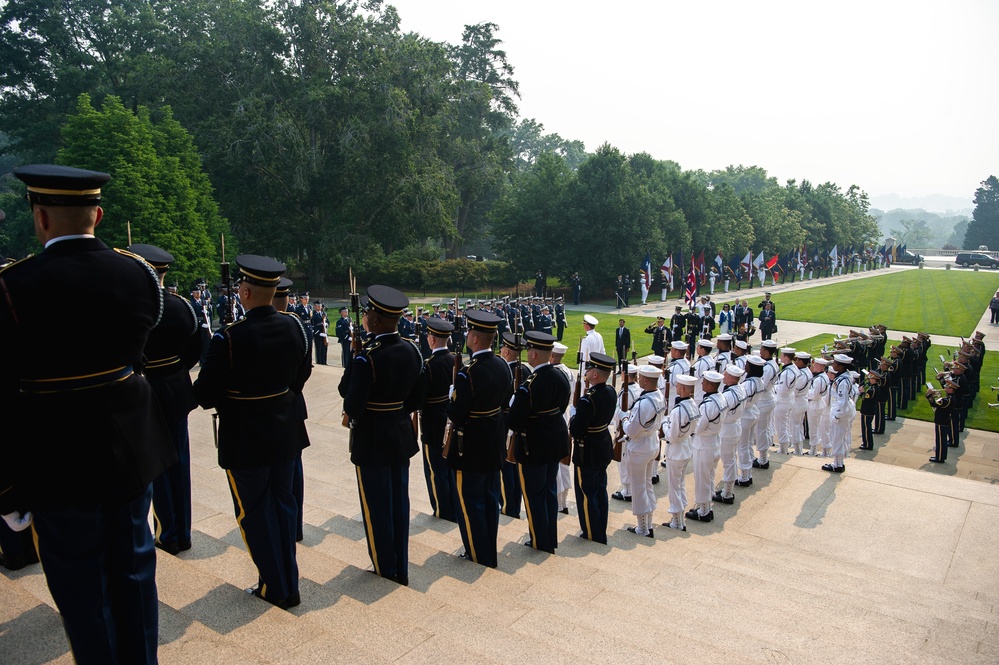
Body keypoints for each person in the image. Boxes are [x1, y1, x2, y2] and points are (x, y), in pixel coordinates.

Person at [2, 165, 176, 663]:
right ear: (98, 215)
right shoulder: (139, 274)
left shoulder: (13, 286)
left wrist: (6, 489)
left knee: (83, 590)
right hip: (128, 450)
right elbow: (135, 355)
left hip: (56, 460)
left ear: (40, 218)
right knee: (135, 573)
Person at [194, 255, 311, 608]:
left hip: (246, 438)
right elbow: (299, 377)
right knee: (284, 505)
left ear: (244, 292)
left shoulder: (228, 338)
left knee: (255, 513)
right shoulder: (295, 326)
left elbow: (203, 395)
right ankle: (287, 580)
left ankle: (276, 587)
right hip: (284, 432)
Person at [337, 285, 425, 585]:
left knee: (377, 505)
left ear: (374, 321)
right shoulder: (412, 349)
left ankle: (384, 566)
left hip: (372, 439)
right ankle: (400, 565)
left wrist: (354, 358)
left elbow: (350, 401)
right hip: (400, 434)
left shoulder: (367, 358)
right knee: (399, 504)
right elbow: (416, 398)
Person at [129, 244, 202, 557]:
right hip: (176, 384)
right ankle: (181, 531)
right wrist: (177, 368)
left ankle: (167, 531)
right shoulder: (182, 305)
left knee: (159, 463)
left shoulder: (136, 307)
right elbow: (197, 345)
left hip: (149, 388)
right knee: (180, 460)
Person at [446, 310, 510, 568]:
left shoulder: (467, 373)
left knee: (470, 502)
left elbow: (456, 415)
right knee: (490, 499)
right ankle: (489, 551)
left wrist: (453, 395)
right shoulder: (502, 365)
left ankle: (476, 552)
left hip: (469, 447)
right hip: (493, 441)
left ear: (473, 338)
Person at [507, 332, 572, 553]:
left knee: (534, 496)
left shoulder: (529, 384)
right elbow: (562, 407)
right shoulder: (561, 376)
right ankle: (549, 537)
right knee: (549, 492)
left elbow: (514, 422)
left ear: (534, 353)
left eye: (528, 351)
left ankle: (539, 540)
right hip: (553, 442)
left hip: (533, 446)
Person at [568, 352, 617, 544]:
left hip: (587, 450)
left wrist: (573, 416)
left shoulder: (588, 399)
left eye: (589, 369)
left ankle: (590, 531)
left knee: (587, 493)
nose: (587, 371)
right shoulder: (611, 391)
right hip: (602, 444)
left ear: (596, 374)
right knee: (600, 490)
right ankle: (599, 529)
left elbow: (577, 430)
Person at [420, 318, 458, 522]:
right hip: (451, 420)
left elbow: (419, 398)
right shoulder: (456, 362)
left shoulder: (429, 365)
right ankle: (453, 505)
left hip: (433, 422)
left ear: (432, 340)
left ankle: (443, 510)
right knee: (450, 466)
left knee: (435, 470)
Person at [622, 365, 666, 537]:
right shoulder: (659, 396)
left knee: (639, 487)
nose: (638, 379)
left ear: (646, 381)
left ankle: (642, 527)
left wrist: (624, 417)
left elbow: (631, 430)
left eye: (640, 377)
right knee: (647, 485)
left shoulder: (644, 403)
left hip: (640, 446)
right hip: (651, 443)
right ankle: (648, 523)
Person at [660, 374, 699, 532]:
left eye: (678, 386)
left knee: (675, 486)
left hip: (676, 451)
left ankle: (677, 521)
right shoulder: (693, 404)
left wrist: (664, 424)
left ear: (683, 388)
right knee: (680, 485)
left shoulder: (678, 411)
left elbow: (672, 436)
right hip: (686, 447)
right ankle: (679, 518)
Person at [498, 332, 531, 518]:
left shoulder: (504, 371)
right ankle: (514, 505)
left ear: (508, 351)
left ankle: (507, 506)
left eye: (503, 347)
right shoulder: (526, 371)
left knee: (505, 466)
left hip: (504, 423)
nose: (502, 350)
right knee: (515, 466)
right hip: (519, 425)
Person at [713, 364, 746, 505]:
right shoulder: (740, 389)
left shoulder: (727, 394)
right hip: (735, 426)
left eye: (726, 374)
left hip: (727, 429)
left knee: (728, 462)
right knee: (731, 459)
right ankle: (728, 490)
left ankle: (727, 493)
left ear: (732, 378)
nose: (723, 375)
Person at [822, 354, 854, 473]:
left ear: (841, 366)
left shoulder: (843, 381)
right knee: (837, 437)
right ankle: (838, 462)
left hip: (839, 412)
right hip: (838, 410)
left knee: (836, 438)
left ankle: (837, 464)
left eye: (835, 363)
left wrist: (838, 415)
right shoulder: (843, 377)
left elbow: (843, 401)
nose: (833, 365)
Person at [926, 380, 957, 463]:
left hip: (941, 421)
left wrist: (929, 395)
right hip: (944, 420)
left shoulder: (946, 400)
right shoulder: (950, 398)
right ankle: (941, 456)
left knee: (940, 441)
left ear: (951, 389)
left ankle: (939, 457)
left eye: (947, 386)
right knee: (942, 440)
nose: (945, 387)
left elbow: (934, 404)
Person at [311, 300, 329, 365]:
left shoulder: (324, 314)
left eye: (320, 306)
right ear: (315, 306)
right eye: (318, 306)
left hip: (324, 334)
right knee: (319, 349)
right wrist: (318, 333)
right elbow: (312, 325)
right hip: (318, 334)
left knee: (324, 349)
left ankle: (324, 361)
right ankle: (319, 362)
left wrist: (326, 324)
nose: (319, 307)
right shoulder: (313, 314)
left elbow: (328, 322)